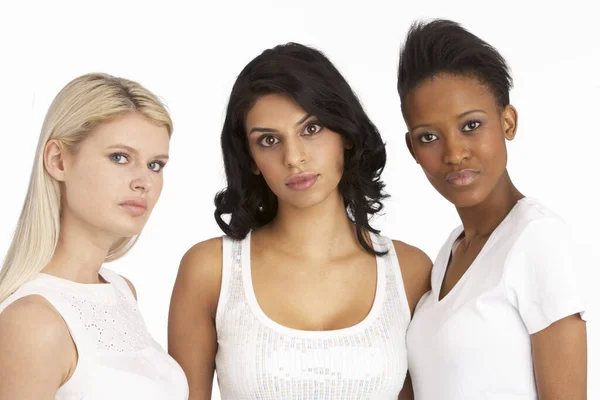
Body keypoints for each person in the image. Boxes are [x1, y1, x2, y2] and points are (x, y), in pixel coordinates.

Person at [168, 42, 431, 399]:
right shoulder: (210, 271)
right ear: (250, 159)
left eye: (312, 129)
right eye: (269, 140)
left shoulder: (411, 272)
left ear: (346, 135)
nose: (293, 157)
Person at [397, 19, 588, 399]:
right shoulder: (450, 253)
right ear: (412, 149)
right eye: (429, 137)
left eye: (471, 125)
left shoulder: (536, 237)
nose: (453, 154)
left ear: (508, 122)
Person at [0, 73, 189, 399]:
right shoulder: (32, 321)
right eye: (120, 157)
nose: (143, 181)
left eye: (156, 165)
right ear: (58, 161)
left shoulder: (121, 291)